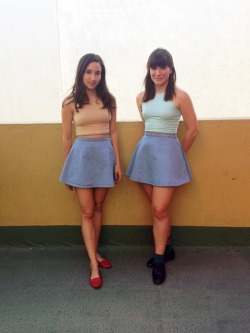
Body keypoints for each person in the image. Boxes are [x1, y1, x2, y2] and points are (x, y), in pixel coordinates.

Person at [126, 48, 198, 285]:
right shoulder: (141, 97)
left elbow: (192, 129)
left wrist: (177, 154)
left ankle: (158, 260)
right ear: (149, 70)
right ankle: (166, 249)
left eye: (163, 67)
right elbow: (148, 122)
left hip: (168, 154)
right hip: (146, 154)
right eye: (154, 67)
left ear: (170, 69)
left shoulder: (180, 96)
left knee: (159, 209)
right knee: (157, 208)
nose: (158, 72)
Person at [59, 53, 122, 289]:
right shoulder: (70, 102)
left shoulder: (109, 99)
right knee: (86, 211)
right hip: (81, 159)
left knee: (98, 207)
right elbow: (66, 137)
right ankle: (93, 264)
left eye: (97, 73)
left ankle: (94, 252)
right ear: (81, 72)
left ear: (102, 75)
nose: (93, 77)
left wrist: (117, 162)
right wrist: (68, 169)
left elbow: (114, 131)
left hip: (104, 157)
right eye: (88, 72)